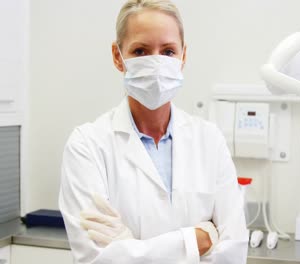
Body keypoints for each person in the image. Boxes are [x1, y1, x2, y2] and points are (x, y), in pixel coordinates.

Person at [58, 0, 248, 263]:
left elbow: (234, 249)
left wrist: (130, 248)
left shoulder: (209, 139)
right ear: (117, 56)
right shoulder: (87, 145)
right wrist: (194, 241)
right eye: (140, 51)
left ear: (183, 56)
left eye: (168, 51)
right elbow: (97, 258)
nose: (156, 63)